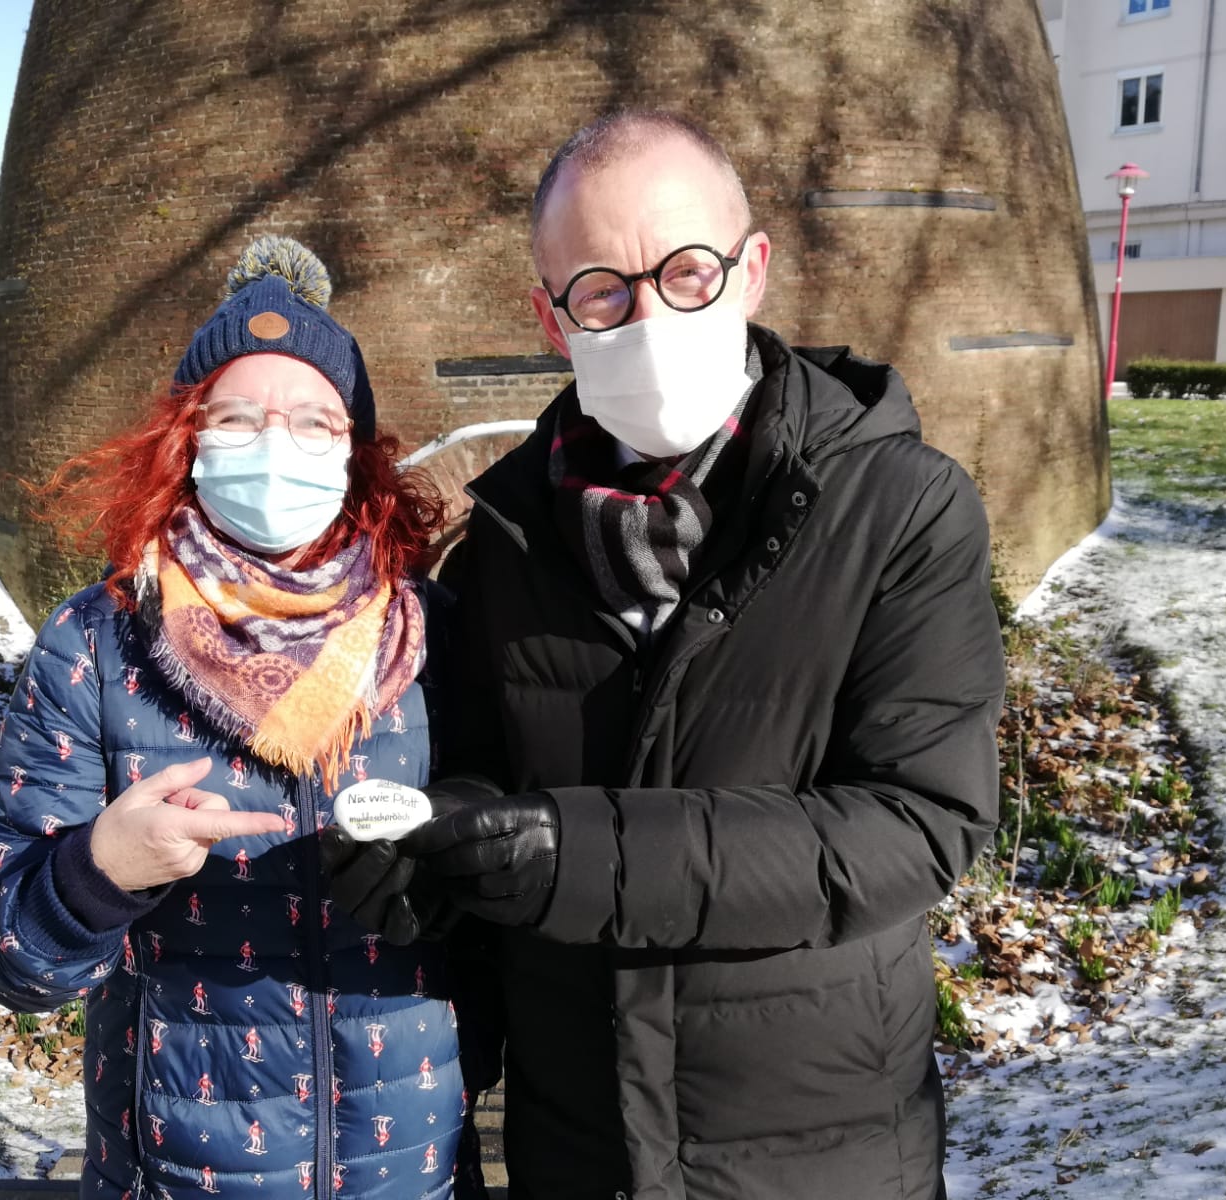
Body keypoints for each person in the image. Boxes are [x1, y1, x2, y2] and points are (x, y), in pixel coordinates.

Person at [327, 110, 1008, 1199]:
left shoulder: (900, 509)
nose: (649, 314)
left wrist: (574, 852)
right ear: (551, 319)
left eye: (687, 270)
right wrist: (438, 856)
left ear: (751, 273)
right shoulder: (504, 539)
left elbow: (919, 823)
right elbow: (488, 772)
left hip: (815, 1150)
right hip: (578, 1138)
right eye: (602, 288)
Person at [0, 236, 484, 1200]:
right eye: (236, 419)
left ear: (355, 449)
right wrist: (98, 872)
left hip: (405, 1167)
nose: (274, 447)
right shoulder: (99, 643)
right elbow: (6, 961)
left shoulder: (432, 638)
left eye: (313, 422)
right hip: (177, 1173)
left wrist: (458, 862)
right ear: (187, 440)